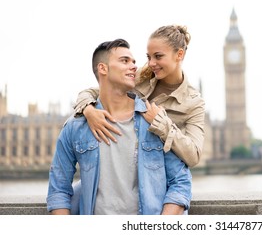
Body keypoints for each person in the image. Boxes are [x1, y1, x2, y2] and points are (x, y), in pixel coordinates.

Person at [46, 39, 192, 215]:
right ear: (103, 68)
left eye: (133, 62)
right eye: (125, 61)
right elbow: (59, 190)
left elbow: (181, 182)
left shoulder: (154, 120)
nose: (133, 67)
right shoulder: (75, 127)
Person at [73, 25, 205, 167]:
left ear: (179, 55)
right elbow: (91, 92)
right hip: (118, 162)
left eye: (158, 56)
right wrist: (89, 111)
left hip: (155, 173)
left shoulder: (194, 102)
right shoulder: (141, 76)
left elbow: (194, 156)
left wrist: (160, 122)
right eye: (149, 57)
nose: (151, 63)